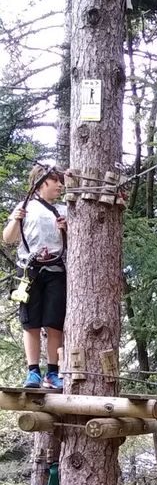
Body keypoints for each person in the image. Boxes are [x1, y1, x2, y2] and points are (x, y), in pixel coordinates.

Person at [2, 163, 67, 390]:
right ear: (42, 182)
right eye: (56, 181)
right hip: (28, 271)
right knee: (30, 322)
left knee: (54, 323)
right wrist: (15, 219)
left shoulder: (63, 211)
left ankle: (52, 372)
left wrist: (66, 229)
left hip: (56, 270)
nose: (60, 185)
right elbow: (8, 238)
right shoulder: (25, 206)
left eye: (61, 181)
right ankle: (33, 373)